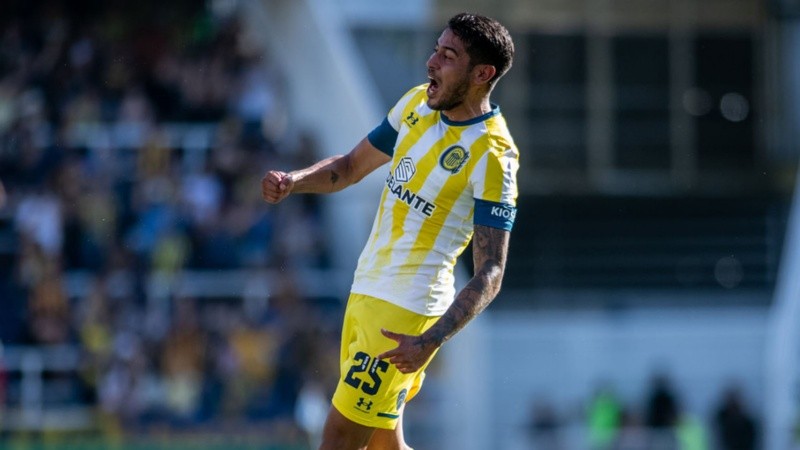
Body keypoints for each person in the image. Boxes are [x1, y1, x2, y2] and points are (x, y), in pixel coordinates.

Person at [262, 12, 517, 450]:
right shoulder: (418, 103)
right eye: (436, 48)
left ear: (482, 74)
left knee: (339, 439)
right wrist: (295, 181)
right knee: (384, 444)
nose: (431, 62)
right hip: (366, 292)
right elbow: (348, 167)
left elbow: (491, 270)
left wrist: (431, 339)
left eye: (447, 56)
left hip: (406, 313)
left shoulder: (493, 155)